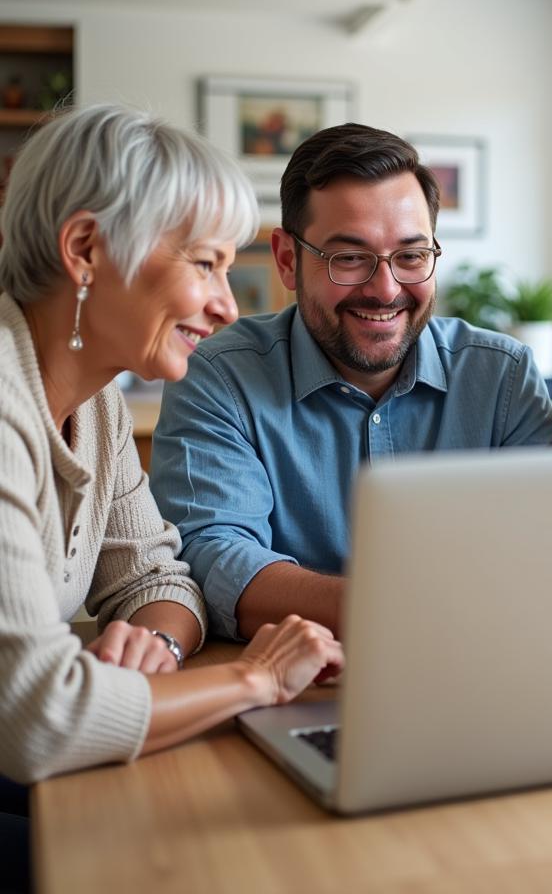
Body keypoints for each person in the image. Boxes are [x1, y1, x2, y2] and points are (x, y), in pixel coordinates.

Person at [0, 106, 343, 796]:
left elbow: (153, 578)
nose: (227, 307)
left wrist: (155, 642)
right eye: (206, 265)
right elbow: (39, 719)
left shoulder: (94, 401)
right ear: (87, 250)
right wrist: (259, 677)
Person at [150, 123, 552, 641]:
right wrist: (402, 609)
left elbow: (540, 555)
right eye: (349, 258)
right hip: (291, 681)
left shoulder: (503, 377)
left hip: (479, 672)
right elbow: (213, 554)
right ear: (286, 260)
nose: (385, 290)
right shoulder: (219, 376)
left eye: (410, 256)